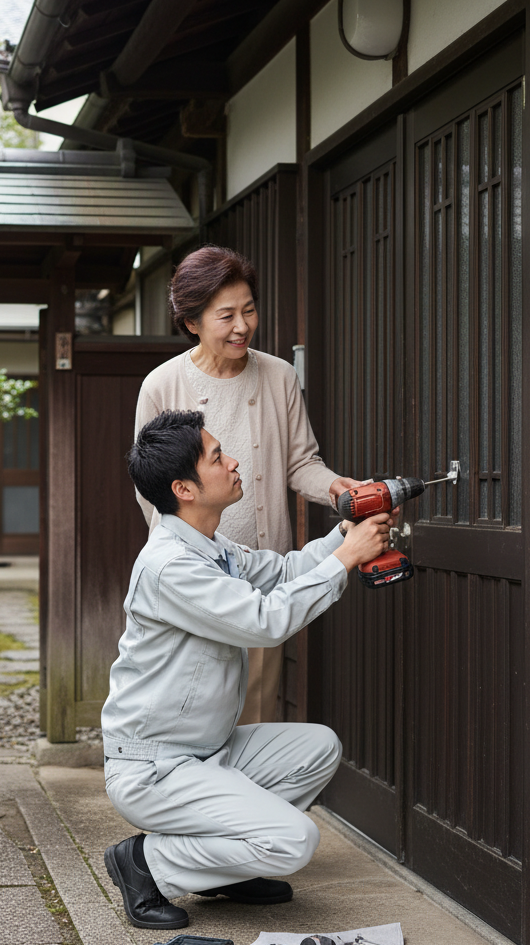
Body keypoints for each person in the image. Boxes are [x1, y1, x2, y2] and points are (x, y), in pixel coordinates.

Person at [102, 409, 393, 929]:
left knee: (318, 747)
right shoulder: (172, 565)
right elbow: (264, 621)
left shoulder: (212, 547)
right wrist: (348, 558)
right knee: (294, 840)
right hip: (156, 768)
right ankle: (148, 866)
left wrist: (344, 535)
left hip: (207, 752)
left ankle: (224, 871)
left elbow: (283, 571)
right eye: (217, 457)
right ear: (183, 488)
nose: (233, 462)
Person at [134, 245, 362, 725]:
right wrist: (183, 560)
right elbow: (151, 487)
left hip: (263, 575)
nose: (242, 326)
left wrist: (339, 490)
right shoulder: (161, 384)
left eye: (249, 310)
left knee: (255, 710)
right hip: (194, 580)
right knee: (195, 712)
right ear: (192, 322)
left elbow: (302, 462)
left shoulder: (278, 375)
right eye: (226, 315)